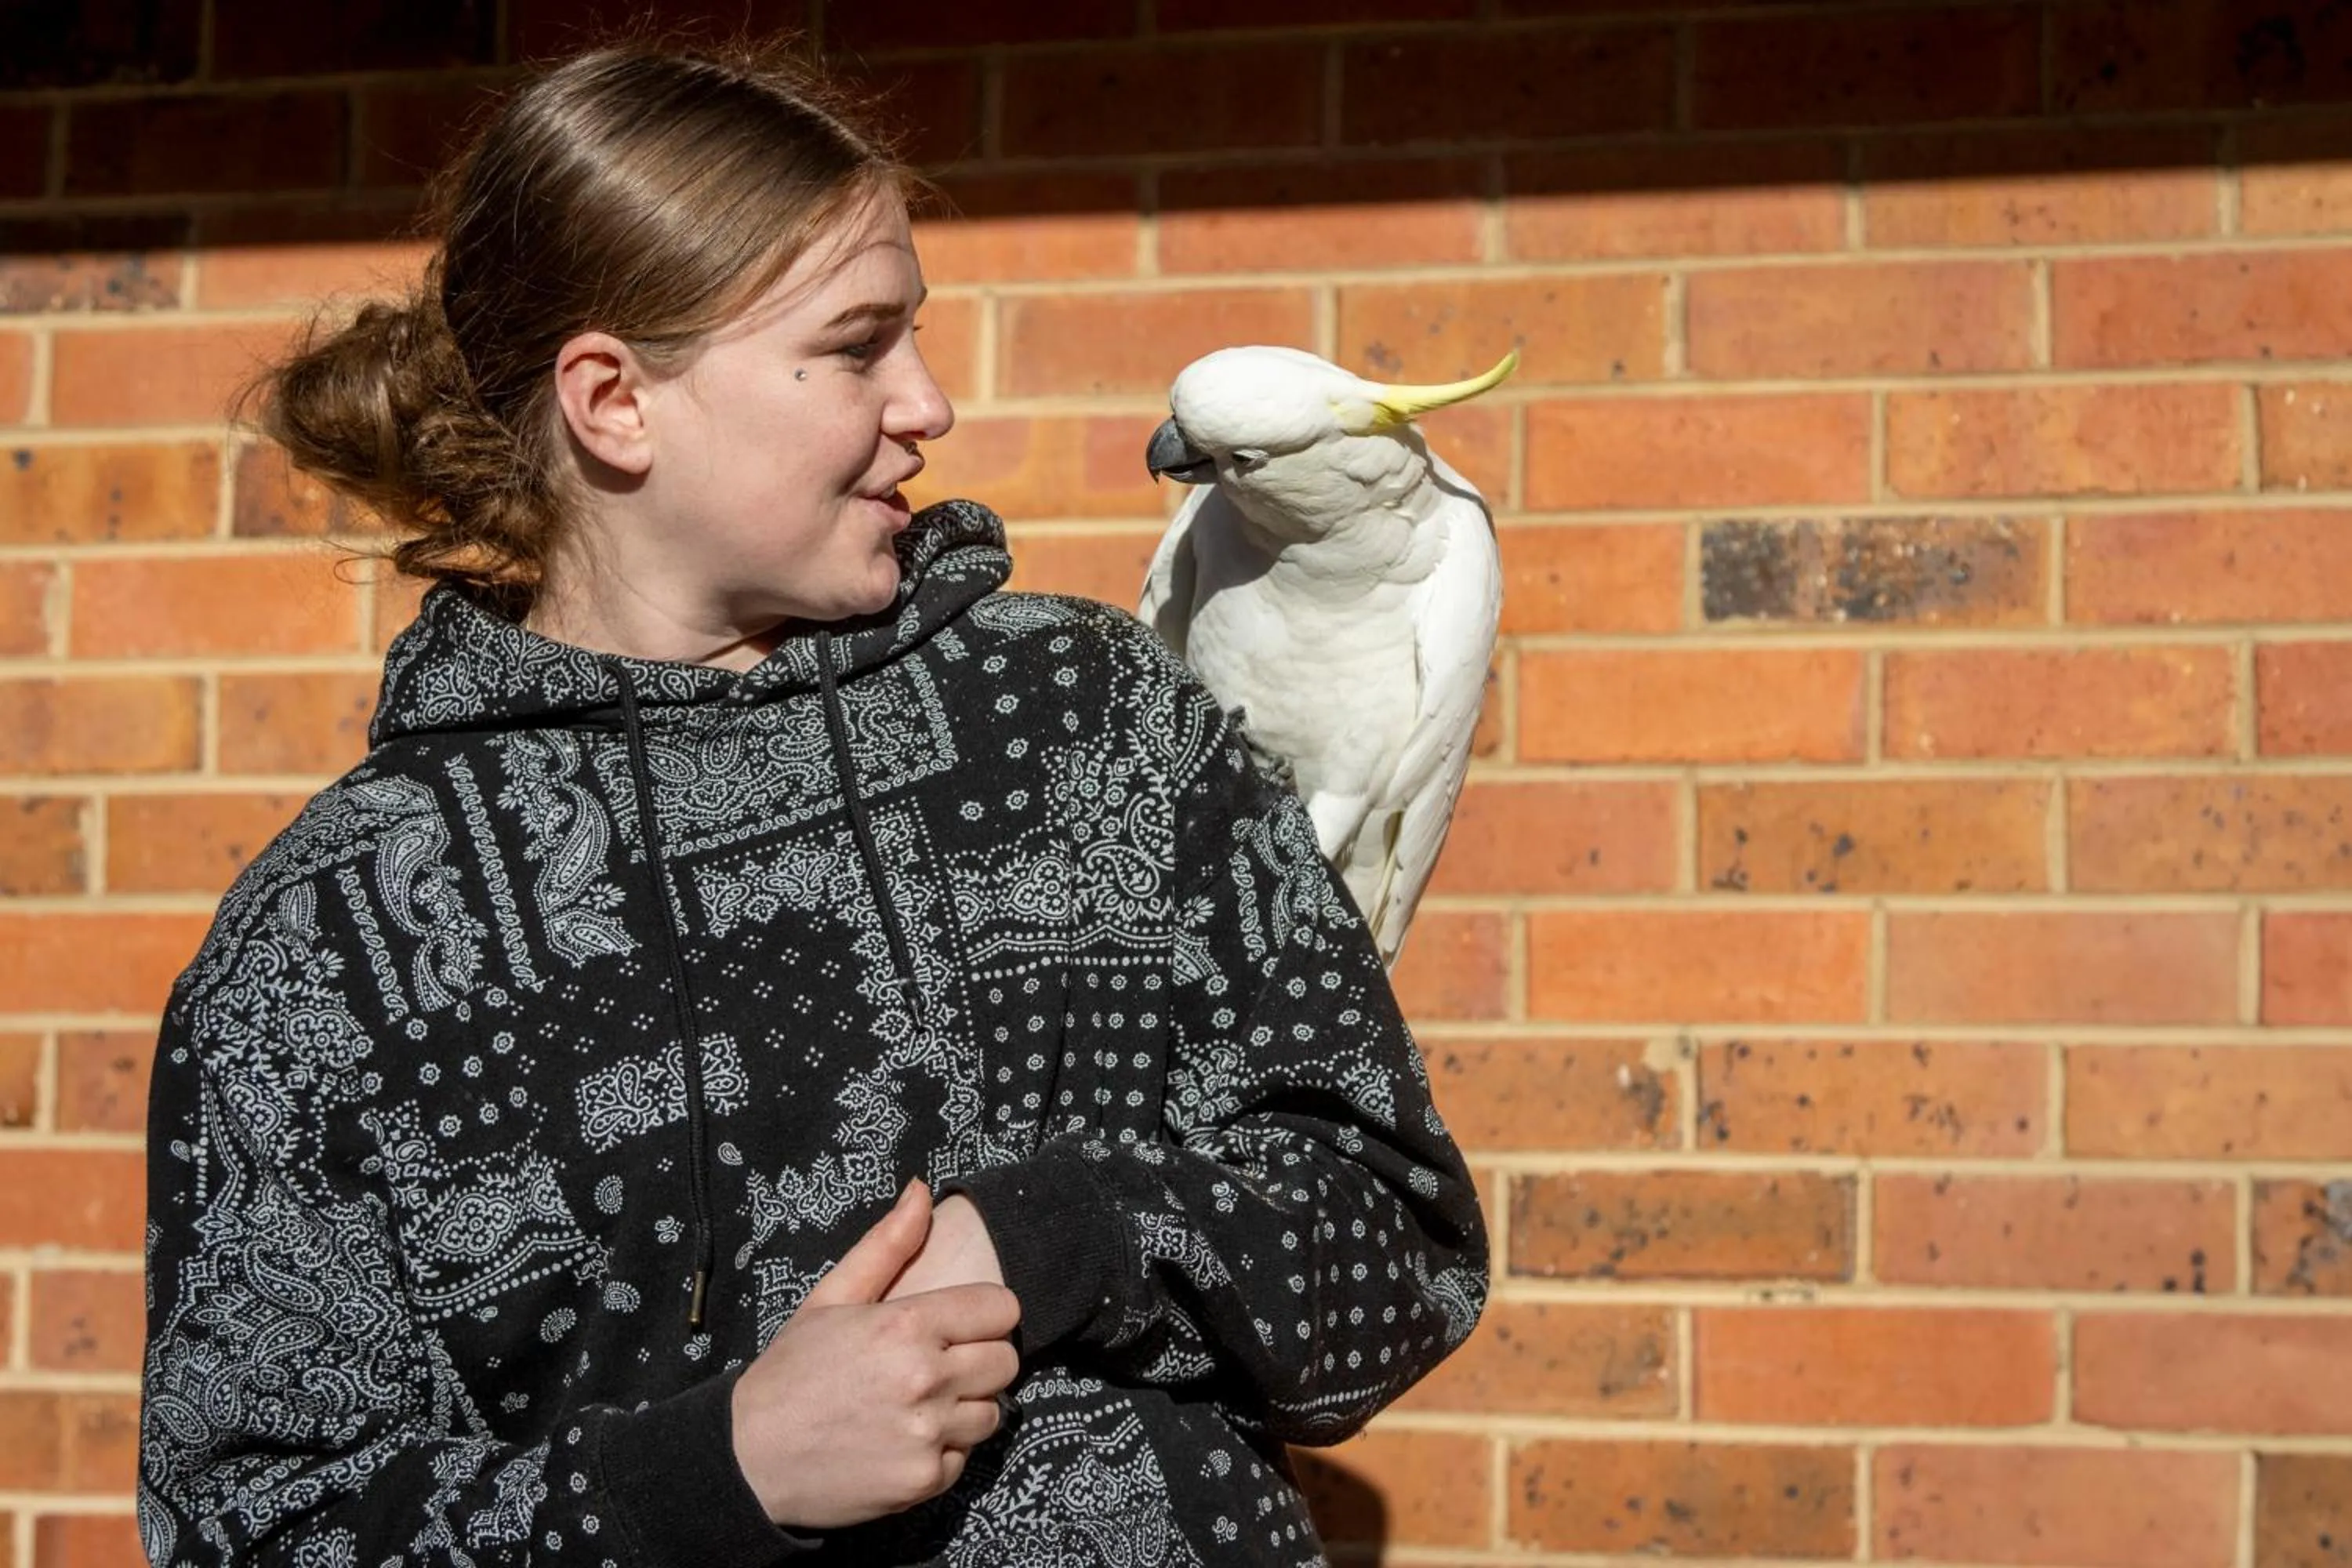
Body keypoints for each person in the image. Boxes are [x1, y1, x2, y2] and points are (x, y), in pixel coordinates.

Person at [137, 37, 1488, 1568]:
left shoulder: (1093, 719)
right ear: (614, 401)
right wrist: (717, 1473)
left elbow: (1401, 1248)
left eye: (914, 334)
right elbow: (255, 1530)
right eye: (857, 348)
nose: (932, 402)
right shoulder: (335, 941)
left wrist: (1054, 1240)